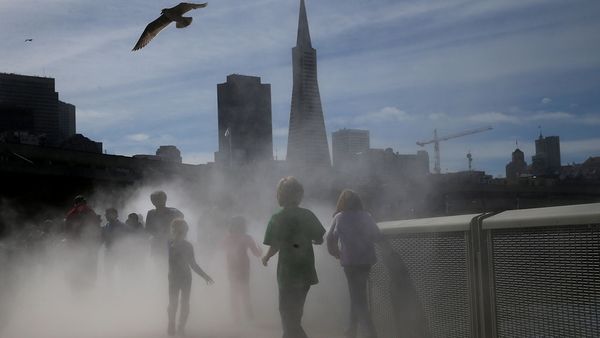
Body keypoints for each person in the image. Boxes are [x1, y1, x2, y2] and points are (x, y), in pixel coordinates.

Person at [262, 176, 326, 338]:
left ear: (280, 195)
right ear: (299, 195)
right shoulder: (307, 215)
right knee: (295, 314)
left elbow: (275, 244)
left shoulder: (277, 217)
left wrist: (266, 257)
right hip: (306, 271)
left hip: (287, 273)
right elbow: (319, 238)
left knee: (286, 313)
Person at [326, 190, 381, 338]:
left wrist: (336, 253)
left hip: (349, 263)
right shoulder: (366, 216)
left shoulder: (339, 217)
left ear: (342, 203)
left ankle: (370, 334)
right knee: (357, 297)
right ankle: (351, 331)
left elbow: (330, 239)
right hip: (366, 262)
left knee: (358, 299)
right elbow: (377, 236)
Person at [167, 219, 214, 336]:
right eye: (178, 231)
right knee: (173, 302)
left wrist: (205, 276)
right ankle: (172, 323)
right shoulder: (169, 243)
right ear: (173, 231)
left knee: (184, 302)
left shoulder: (187, 246)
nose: (181, 233)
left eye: (182, 231)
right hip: (173, 277)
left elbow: (193, 264)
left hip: (185, 277)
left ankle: (181, 326)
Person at [223, 216, 262, 322]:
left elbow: (223, 250)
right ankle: (249, 317)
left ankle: (236, 317)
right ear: (243, 226)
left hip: (231, 267)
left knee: (233, 292)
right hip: (243, 267)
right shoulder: (247, 237)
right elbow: (257, 253)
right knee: (245, 292)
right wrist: (260, 249)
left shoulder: (227, 238)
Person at [64, 195, 102, 290]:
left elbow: (96, 229)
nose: (82, 206)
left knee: (84, 267)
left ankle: (84, 288)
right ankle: (80, 287)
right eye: (80, 204)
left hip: (83, 245)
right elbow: (68, 231)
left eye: (83, 204)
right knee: (81, 268)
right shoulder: (75, 214)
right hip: (81, 246)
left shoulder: (86, 213)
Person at [145, 191, 184, 264]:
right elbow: (148, 228)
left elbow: (181, 227)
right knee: (158, 264)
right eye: (153, 200)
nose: (155, 202)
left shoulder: (174, 212)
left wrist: (170, 235)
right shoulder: (151, 213)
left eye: (158, 199)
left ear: (164, 199)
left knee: (171, 265)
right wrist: (157, 235)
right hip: (157, 244)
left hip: (171, 244)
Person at [102, 208, 131, 283]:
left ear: (114, 215)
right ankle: (110, 289)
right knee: (108, 272)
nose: (106, 216)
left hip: (120, 252)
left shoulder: (123, 226)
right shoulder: (106, 226)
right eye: (106, 215)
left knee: (122, 271)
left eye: (107, 214)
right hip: (108, 252)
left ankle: (123, 289)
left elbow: (128, 240)